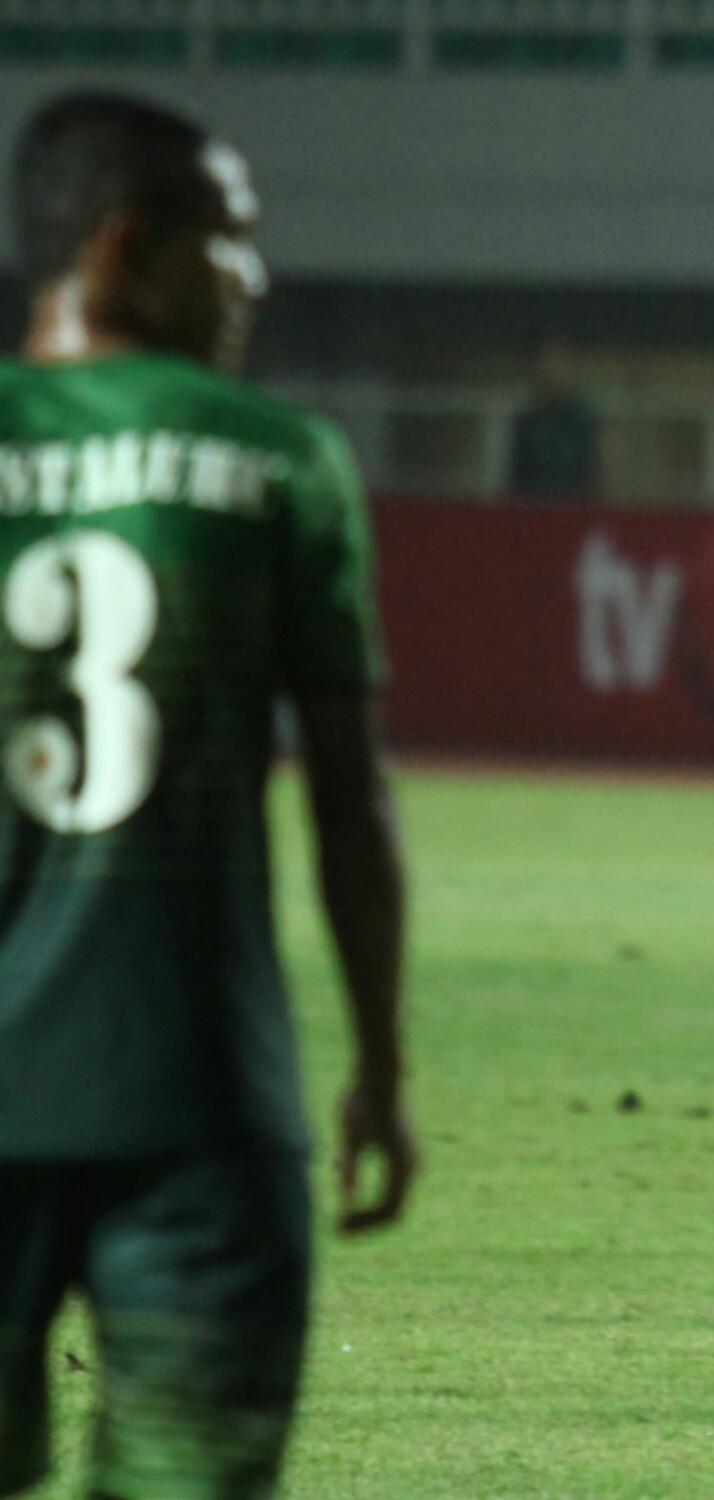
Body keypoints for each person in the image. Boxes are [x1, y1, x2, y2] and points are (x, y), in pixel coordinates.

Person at [0, 91, 415, 1497]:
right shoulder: (278, 463)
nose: (255, 275)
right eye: (228, 241)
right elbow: (350, 806)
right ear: (129, 247)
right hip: (201, 1119)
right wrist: (382, 1064)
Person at [507, 333, 600, 499]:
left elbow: (594, 474)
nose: (553, 368)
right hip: (534, 512)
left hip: (575, 511)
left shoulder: (584, 419)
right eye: (547, 360)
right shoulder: (527, 421)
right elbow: (517, 477)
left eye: (560, 360)